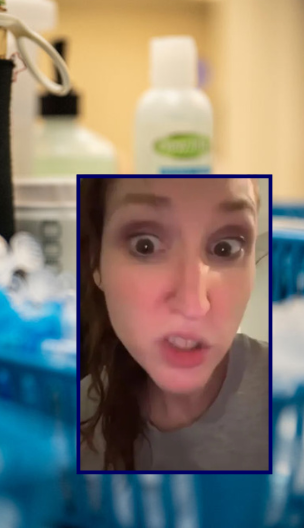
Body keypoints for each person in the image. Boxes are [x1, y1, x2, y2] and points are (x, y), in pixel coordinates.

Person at [79, 177, 269, 471]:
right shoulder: (72, 412)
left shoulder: (299, 403)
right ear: (96, 264)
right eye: (145, 245)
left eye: (226, 247)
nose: (193, 305)